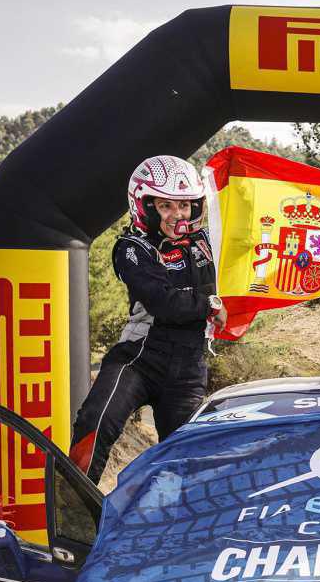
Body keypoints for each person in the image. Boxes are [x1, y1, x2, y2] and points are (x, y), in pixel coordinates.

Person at [69, 155, 227, 484]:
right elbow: (164, 302)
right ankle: (71, 511)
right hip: (140, 358)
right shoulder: (131, 247)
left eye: (184, 205)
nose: (178, 214)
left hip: (188, 367)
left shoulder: (208, 240)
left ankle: (174, 517)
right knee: (94, 423)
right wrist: (210, 304)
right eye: (166, 205)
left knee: (186, 461)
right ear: (143, 205)